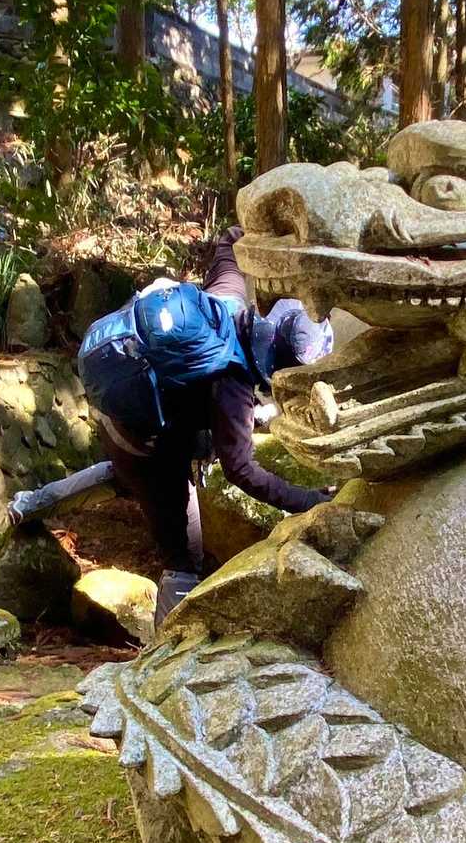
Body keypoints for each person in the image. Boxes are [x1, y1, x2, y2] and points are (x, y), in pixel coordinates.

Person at [77, 226, 334, 584]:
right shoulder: (232, 387)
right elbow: (241, 470)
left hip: (122, 403)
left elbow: (229, 240)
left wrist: (274, 235)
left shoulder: (227, 298)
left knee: (124, 476)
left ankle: (26, 505)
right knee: (183, 556)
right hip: (140, 447)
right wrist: (311, 501)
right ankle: (172, 615)